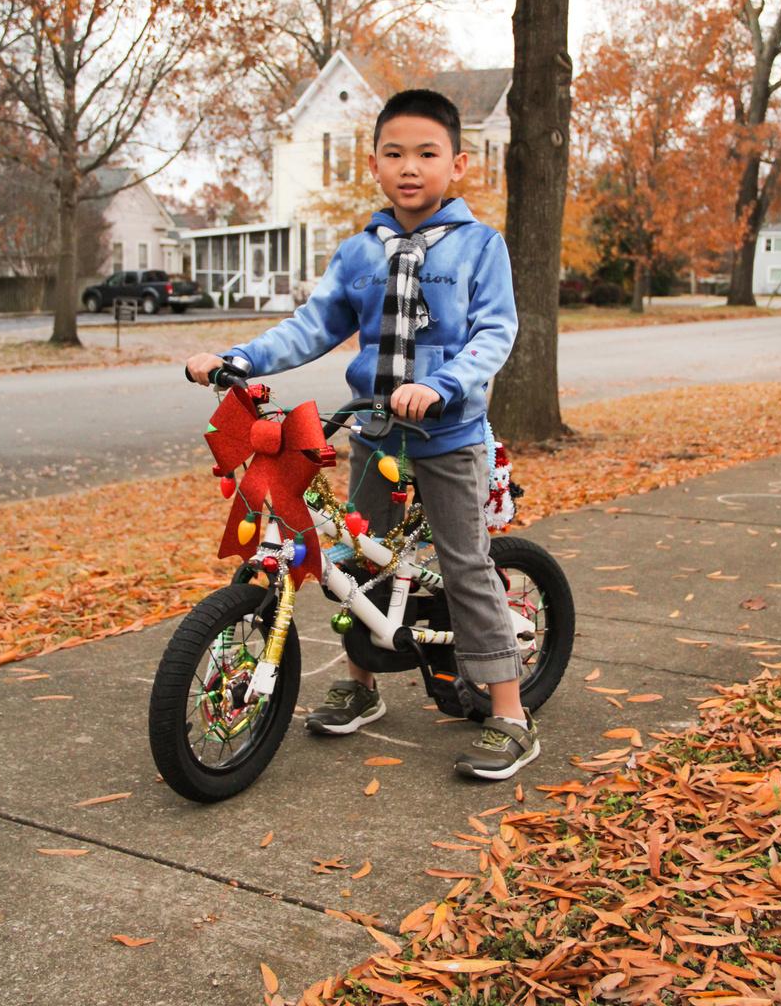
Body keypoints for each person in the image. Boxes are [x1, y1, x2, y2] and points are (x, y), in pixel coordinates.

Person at [186, 88, 539, 780]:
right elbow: (311, 326)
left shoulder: (479, 246)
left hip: (449, 437)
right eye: (394, 154)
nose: (410, 167)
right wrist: (239, 359)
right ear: (374, 165)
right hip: (376, 436)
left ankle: (510, 714)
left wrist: (441, 385)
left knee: (465, 566)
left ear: (458, 165)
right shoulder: (359, 253)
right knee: (355, 563)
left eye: (427, 154)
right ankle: (362, 684)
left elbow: (495, 331)